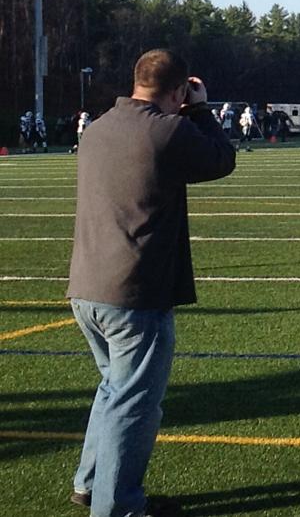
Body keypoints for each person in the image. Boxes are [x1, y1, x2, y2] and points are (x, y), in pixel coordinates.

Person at [66, 49, 235, 517]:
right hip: (135, 290)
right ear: (178, 90)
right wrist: (201, 109)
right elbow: (221, 159)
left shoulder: (98, 129)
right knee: (135, 403)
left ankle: (91, 483)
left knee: (113, 390)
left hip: (87, 285)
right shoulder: (168, 130)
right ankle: (117, 506)